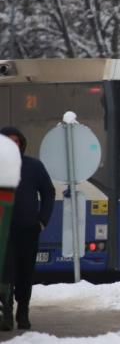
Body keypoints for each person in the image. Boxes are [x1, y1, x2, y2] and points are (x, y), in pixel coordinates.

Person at [0, 126, 54, 332]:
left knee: (25, 273)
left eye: (17, 141)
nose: (14, 145)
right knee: (5, 273)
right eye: (8, 141)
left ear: (21, 144)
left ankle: (23, 311)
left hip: (28, 230)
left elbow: (48, 192)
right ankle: (6, 313)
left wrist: (42, 221)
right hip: (3, 231)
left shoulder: (33, 166)